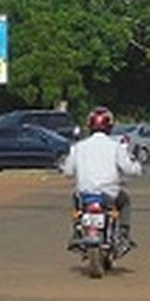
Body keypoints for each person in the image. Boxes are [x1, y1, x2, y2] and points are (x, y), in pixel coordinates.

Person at [61, 106, 142, 250]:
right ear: (110, 126)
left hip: (85, 194)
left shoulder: (79, 146)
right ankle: (124, 233)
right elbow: (129, 169)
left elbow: (67, 171)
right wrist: (137, 167)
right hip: (109, 194)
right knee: (125, 201)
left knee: (75, 199)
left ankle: (77, 231)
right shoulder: (116, 146)